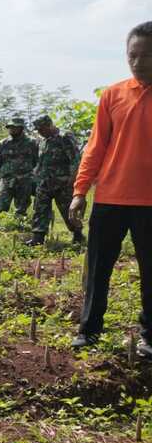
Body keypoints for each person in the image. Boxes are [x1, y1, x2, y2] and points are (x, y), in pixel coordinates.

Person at [70, 20, 152, 358]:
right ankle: (89, 330)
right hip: (110, 199)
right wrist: (79, 191)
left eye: (146, 55)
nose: (138, 62)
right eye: (132, 55)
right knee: (98, 267)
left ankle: (150, 336)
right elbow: (96, 147)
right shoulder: (113, 95)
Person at [26, 114, 84, 246]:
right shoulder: (42, 141)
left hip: (62, 183)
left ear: (49, 125)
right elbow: (40, 162)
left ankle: (78, 235)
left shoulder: (64, 137)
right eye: (38, 130)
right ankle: (38, 238)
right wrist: (35, 177)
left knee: (67, 210)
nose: (39, 132)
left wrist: (73, 178)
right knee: (40, 209)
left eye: (41, 129)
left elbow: (75, 160)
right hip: (44, 182)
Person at [0, 116, 38, 231]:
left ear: (21, 128)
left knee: (21, 209)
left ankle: (17, 233)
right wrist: (6, 172)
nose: (11, 130)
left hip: (25, 180)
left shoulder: (32, 143)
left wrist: (28, 173)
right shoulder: (3, 143)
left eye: (14, 127)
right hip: (7, 181)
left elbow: (37, 160)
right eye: (10, 127)